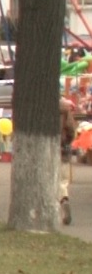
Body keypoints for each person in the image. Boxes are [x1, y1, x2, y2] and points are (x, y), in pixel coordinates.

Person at [61, 96, 77, 225]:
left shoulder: (41, 107)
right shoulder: (66, 109)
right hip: (63, 149)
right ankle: (64, 199)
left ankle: (56, 207)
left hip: (47, 148)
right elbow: (71, 129)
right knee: (62, 181)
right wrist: (68, 141)